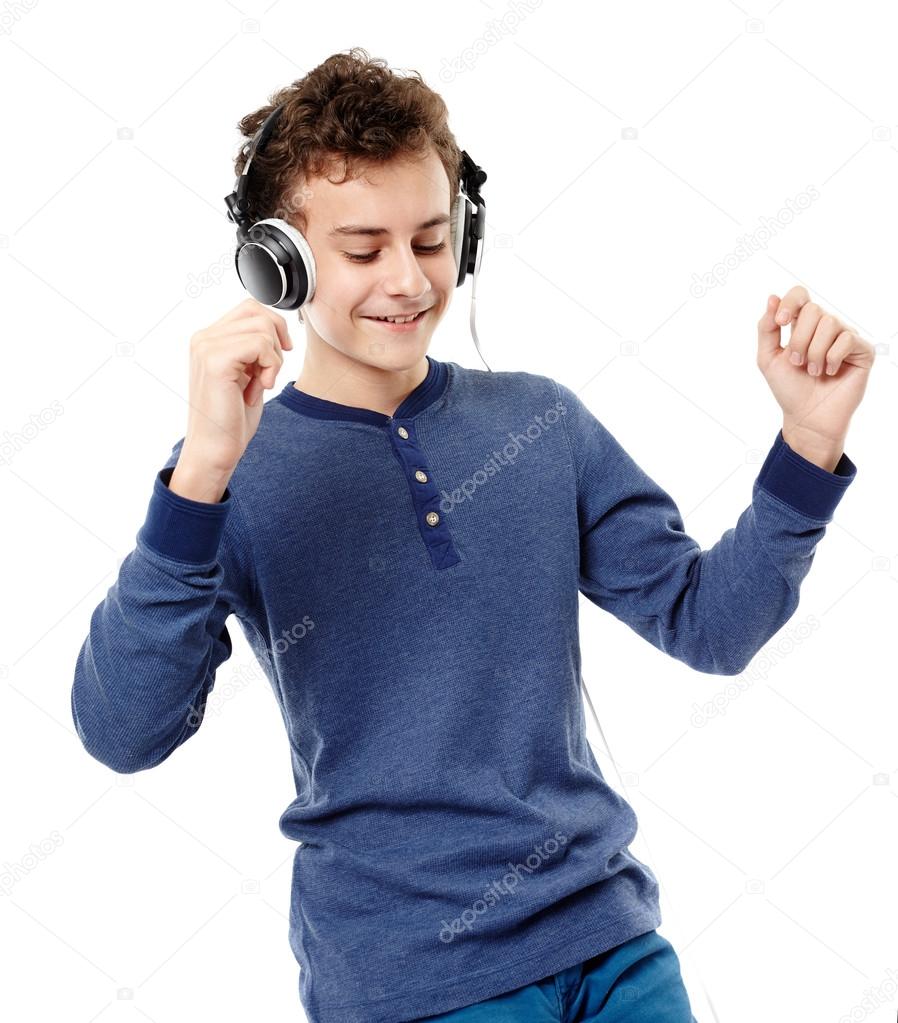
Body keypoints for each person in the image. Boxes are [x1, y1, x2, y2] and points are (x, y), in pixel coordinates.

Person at [70, 47, 872, 1023]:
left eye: (432, 238)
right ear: (272, 260)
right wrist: (197, 478)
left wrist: (806, 442)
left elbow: (710, 625)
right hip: (412, 982)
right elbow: (121, 732)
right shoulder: (230, 473)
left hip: (613, 948)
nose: (407, 280)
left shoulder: (542, 423)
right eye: (362, 249)